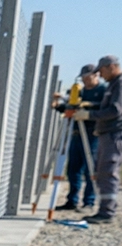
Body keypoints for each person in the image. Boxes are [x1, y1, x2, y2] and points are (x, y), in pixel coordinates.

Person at [73, 55, 122, 224]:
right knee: (102, 172)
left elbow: (115, 110)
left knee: (108, 171)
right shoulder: (113, 85)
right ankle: (104, 209)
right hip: (107, 133)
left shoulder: (119, 84)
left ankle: (107, 212)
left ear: (111, 67)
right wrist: (92, 107)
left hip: (114, 134)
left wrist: (90, 115)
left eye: (101, 71)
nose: (100, 75)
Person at [53, 65, 106, 211]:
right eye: (83, 78)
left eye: (88, 77)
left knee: (90, 169)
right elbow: (69, 107)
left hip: (93, 133)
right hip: (76, 132)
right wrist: (58, 105)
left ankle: (89, 201)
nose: (85, 80)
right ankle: (72, 200)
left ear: (96, 75)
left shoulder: (103, 90)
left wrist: (88, 107)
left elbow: (105, 107)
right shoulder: (79, 90)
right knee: (73, 169)